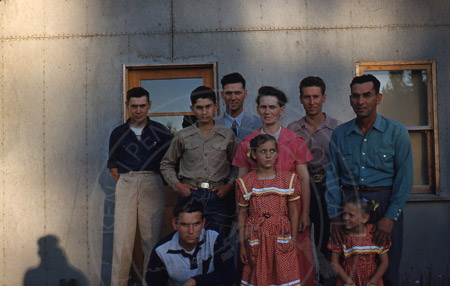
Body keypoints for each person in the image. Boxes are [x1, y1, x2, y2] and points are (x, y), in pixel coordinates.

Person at [325, 74, 413, 286]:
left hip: (384, 202)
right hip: (349, 205)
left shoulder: (396, 132)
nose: (361, 101)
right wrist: (335, 216)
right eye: (356, 96)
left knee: (387, 268)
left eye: (367, 95)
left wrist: (390, 217)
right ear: (350, 99)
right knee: (347, 268)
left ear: (378, 98)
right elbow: (332, 177)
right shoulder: (340, 134)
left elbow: (405, 178)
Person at [232, 86, 316, 286]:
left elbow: (304, 179)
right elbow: (241, 184)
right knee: (258, 265)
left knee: (296, 261)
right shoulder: (247, 143)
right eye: (263, 107)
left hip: (290, 214)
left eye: (272, 107)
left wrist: (304, 213)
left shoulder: (295, 140)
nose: (267, 111)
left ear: (281, 110)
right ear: (258, 109)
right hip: (259, 218)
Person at [107, 87, 172, 285]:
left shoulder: (161, 131)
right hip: (126, 181)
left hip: (152, 182)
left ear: (149, 105)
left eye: (142, 106)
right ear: (127, 106)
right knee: (122, 242)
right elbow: (113, 167)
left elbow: (169, 162)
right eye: (134, 106)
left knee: (151, 241)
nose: (138, 110)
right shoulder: (118, 132)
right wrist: (129, 182)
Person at [160, 86, 237, 236]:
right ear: (192, 108)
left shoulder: (227, 135)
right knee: (190, 240)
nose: (204, 112)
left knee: (218, 242)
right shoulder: (183, 136)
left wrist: (228, 186)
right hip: (191, 195)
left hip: (218, 196)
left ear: (215, 106)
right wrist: (178, 186)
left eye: (208, 107)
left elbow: (237, 165)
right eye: (199, 108)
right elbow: (166, 164)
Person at [287, 76, 341, 284]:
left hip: (329, 189)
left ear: (324, 97)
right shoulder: (292, 129)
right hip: (301, 190)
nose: (312, 102)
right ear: (301, 99)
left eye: (316, 97)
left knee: (330, 241)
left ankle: (329, 279)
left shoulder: (337, 128)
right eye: (307, 97)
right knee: (301, 240)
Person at [236, 134, 301, 286]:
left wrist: (295, 240)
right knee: (257, 273)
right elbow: (242, 214)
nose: (268, 156)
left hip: (281, 233)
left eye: (272, 151)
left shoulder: (288, 179)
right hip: (256, 234)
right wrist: (242, 245)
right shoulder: (246, 182)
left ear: (277, 153)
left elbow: (293, 212)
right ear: (253, 154)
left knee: (283, 273)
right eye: (263, 151)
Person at [146, 197, 235, 286]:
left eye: (196, 224)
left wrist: (195, 281)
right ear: (175, 224)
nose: (191, 231)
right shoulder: (161, 251)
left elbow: (229, 275)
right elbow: (154, 282)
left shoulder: (215, 237)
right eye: (185, 224)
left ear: (203, 223)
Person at [328, 195, 390, 286]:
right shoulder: (342, 236)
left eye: (351, 215)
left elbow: (384, 262)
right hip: (348, 280)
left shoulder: (374, 234)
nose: (345, 217)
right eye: (344, 214)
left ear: (364, 218)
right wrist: (348, 281)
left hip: (372, 280)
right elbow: (334, 262)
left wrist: (373, 281)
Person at [215, 72, 262, 142]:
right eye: (228, 93)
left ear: (245, 94)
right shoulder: (213, 124)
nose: (233, 98)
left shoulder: (258, 123)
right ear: (222, 95)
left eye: (237, 93)